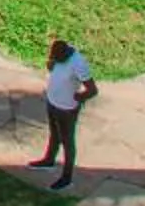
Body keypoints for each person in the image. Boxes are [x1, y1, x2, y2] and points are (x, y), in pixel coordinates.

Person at [29, 37, 96, 190]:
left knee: (67, 142)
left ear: (65, 54)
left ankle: (67, 177)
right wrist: (51, 63)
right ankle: (49, 160)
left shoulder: (78, 64)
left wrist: (78, 97)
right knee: (54, 134)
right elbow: (51, 68)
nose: (55, 60)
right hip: (52, 102)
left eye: (57, 58)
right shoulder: (58, 54)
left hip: (67, 109)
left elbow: (92, 90)